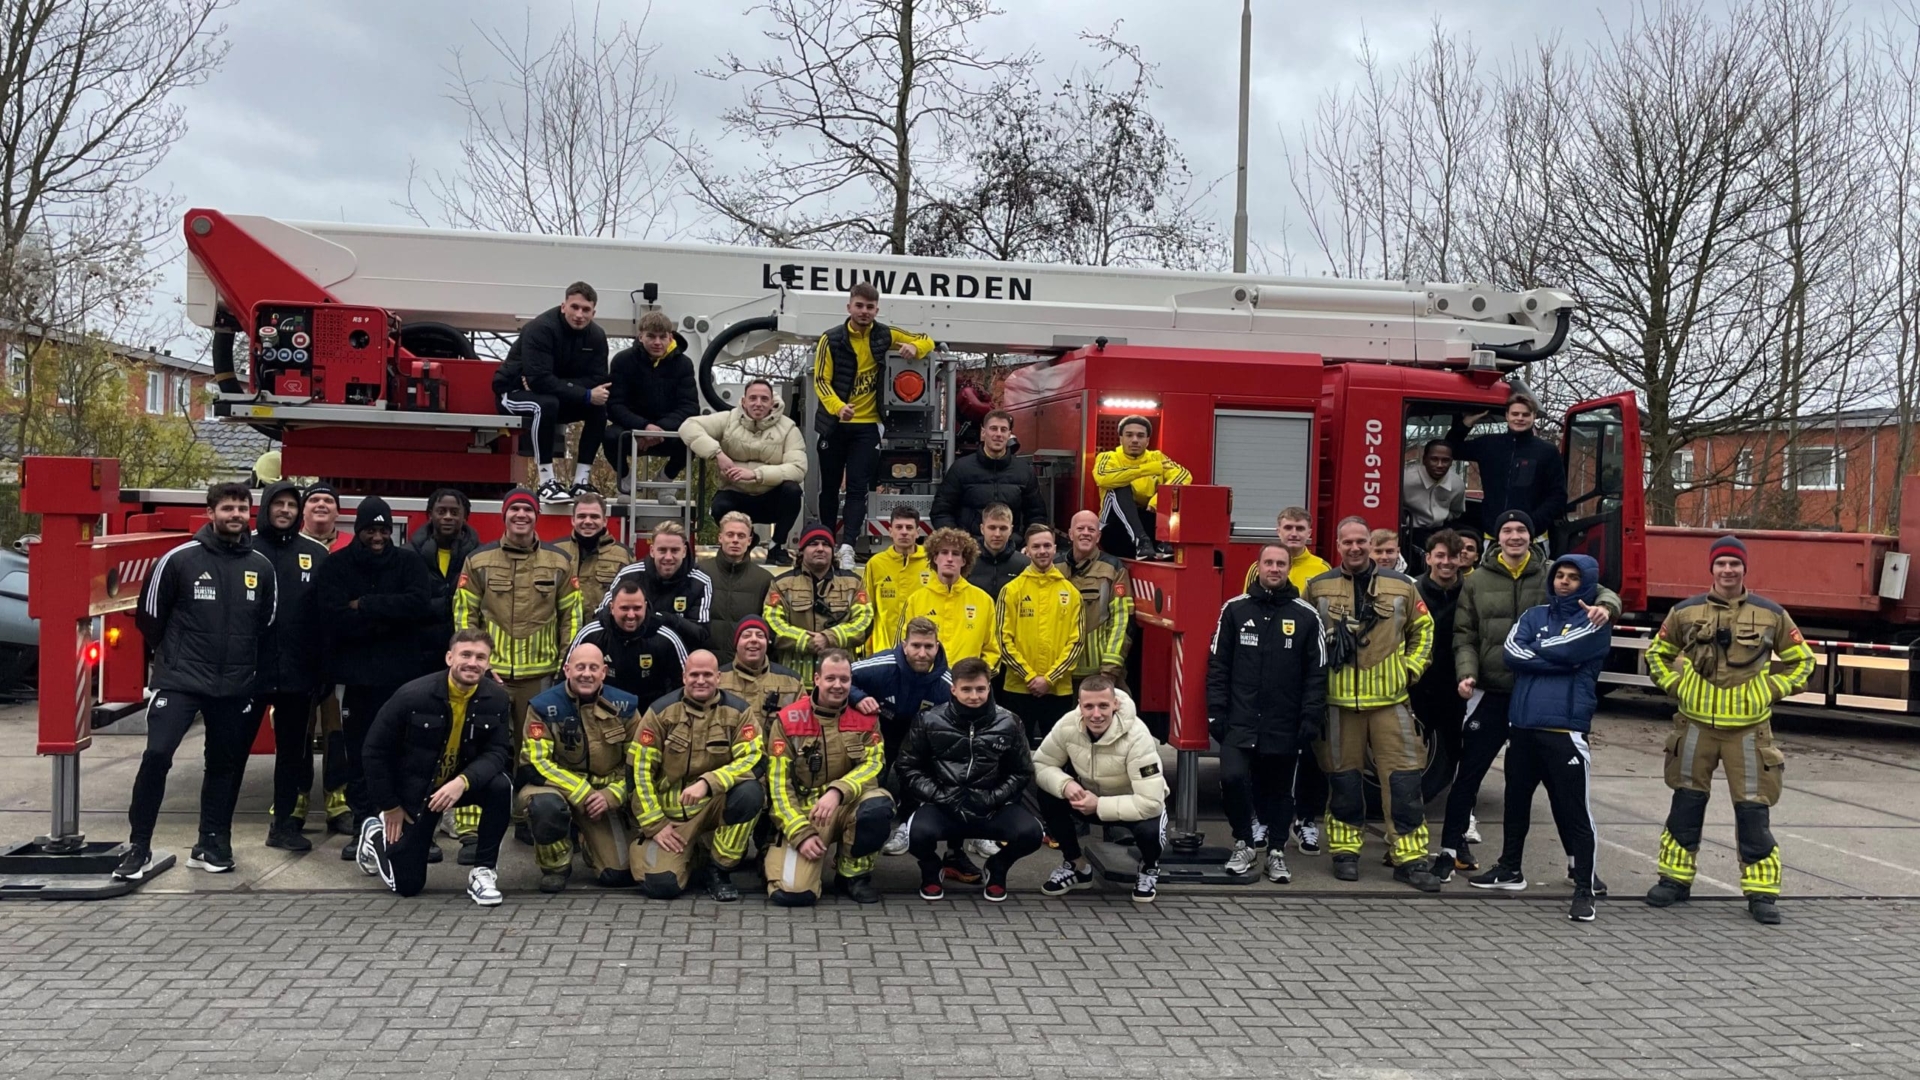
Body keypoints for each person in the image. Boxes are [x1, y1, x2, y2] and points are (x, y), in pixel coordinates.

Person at [1643, 536, 1815, 925]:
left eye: (1734, 564)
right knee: (1686, 804)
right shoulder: (1685, 612)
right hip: (1695, 728)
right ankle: (1674, 879)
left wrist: (1772, 689)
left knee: (1753, 811)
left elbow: (1802, 662)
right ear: (1711, 569)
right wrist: (1676, 686)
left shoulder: (1771, 614)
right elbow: (1656, 654)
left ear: (1744, 569)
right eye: (1720, 564)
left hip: (1750, 733)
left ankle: (1761, 893)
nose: (1727, 571)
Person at [114, 482, 278, 882]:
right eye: (228, 508)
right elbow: (149, 616)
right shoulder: (179, 559)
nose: (236, 515)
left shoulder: (261, 566)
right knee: (157, 756)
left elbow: (267, 624)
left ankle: (212, 842)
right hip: (180, 681)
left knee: (224, 766)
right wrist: (173, 658)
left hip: (235, 685)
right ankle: (139, 846)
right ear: (210, 512)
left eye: (242, 508)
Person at [1446, 510, 1618, 878]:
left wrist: (1608, 606)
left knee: (1561, 789)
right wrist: (1467, 673)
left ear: (1531, 536)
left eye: (1521, 529)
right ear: (1496, 538)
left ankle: (1579, 865)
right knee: (1471, 776)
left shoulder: (1552, 570)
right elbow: (1465, 634)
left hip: (1541, 701)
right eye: (1506, 530)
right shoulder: (1475, 581)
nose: (1514, 536)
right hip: (1494, 691)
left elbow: (1596, 588)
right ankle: (1453, 849)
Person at [1303, 516, 1441, 891]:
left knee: (1404, 781)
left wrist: (1409, 670)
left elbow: (1423, 631)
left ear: (1370, 543)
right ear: (1337, 545)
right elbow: (1306, 640)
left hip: (1391, 702)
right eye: (1347, 542)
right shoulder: (1317, 587)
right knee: (1344, 780)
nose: (1355, 547)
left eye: (1361, 541)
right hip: (1337, 704)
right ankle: (1345, 852)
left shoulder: (1403, 586)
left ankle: (1409, 858)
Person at [1470, 555, 1611, 923]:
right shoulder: (1533, 616)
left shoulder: (1594, 621)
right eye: (1560, 576)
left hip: (1564, 731)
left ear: (1587, 582)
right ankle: (1510, 869)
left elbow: (1569, 650)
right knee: (1515, 803)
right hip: (1524, 726)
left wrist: (1539, 653)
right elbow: (1512, 652)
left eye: (1573, 578)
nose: (1564, 582)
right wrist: (1554, 658)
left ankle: (1584, 888)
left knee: (1574, 812)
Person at [453, 486, 584, 855]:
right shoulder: (479, 561)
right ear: (505, 517)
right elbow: (465, 614)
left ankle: (528, 819)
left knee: (535, 749)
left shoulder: (558, 562)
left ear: (536, 517)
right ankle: (471, 830)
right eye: (514, 511)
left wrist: (566, 663)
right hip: (489, 675)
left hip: (540, 676)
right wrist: (476, 662)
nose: (521, 516)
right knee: (477, 744)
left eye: (528, 511)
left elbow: (571, 616)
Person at [355, 629, 513, 906]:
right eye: (465, 654)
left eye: (480, 657)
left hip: (456, 785)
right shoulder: (411, 696)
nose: (472, 663)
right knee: (407, 886)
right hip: (414, 794)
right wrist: (389, 806)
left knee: (501, 786)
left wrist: (463, 781)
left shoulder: (497, 699)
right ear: (449, 657)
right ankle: (375, 835)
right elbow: (374, 752)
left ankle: (484, 870)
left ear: (488, 663)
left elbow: (498, 752)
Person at [317, 496, 434, 860]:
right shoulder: (336, 566)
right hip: (358, 680)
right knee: (363, 754)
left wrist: (365, 605)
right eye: (371, 530)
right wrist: (388, 615)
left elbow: (418, 605)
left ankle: (413, 831)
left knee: (408, 754)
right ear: (359, 530)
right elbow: (333, 616)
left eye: (384, 530)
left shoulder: (409, 562)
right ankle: (363, 825)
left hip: (403, 679)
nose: (378, 537)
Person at [1207, 544, 1326, 886]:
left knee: (1278, 792)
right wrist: (1216, 713)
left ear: (1289, 569)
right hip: (1239, 721)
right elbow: (1217, 665)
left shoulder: (1306, 616)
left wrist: (1309, 719)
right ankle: (1243, 842)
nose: (1274, 569)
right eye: (1269, 563)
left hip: (1284, 724)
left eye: (1281, 564)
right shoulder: (1234, 610)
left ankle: (1276, 852)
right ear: (1257, 567)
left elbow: (1317, 673)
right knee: (1232, 779)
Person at [895, 657, 1044, 902]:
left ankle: (997, 868)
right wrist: (939, 795)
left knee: (1032, 834)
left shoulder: (1010, 721)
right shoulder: (928, 719)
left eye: (980, 689)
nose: (974, 696)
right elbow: (907, 766)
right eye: (966, 689)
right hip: (943, 804)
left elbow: (1021, 771)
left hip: (991, 806)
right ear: (953, 689)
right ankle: (932, 870)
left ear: (989, 688)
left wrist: (993, 797)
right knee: (914, 836)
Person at [627, 650, 765, 901]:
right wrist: (654, 825)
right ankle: (692, 855)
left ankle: (719, 868)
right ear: (684, 677)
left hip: (713, 807)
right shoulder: (660, 712)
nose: (701, 680)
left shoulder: (738, 712)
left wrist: (708, 783)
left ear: (719, 677)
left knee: (750, 793)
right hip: (669, 817)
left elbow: (754, 759)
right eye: (694, 674)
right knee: (661, 885)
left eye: (707, 675)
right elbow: (638, 771)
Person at [764, 651, 894, 905]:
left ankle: (852, 875)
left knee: (877, 806)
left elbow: (875, 764)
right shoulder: (789, 720)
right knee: (793, 894)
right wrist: (800, 833)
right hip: (802, 814)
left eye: (844, 679)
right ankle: (775, 856)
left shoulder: (866, 719)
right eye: (831, 678)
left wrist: (837, 792)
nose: (838, 685)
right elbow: (778, 787)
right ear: (817, 679)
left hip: (846, 806)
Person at [812, 282, 935, 549]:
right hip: (834, 424)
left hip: (867, 426)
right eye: (859, 306)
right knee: (830, 487)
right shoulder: (830, 339)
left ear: (877, 309)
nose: (864, 311)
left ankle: (847, 546)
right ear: (849, 307)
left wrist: (916, 349)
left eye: (870, 307)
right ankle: (826, 542)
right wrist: (837, 407)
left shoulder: (885, 334)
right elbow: (821, 380)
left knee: (858, 488)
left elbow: (926, 338)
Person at [1241, 505, 1334, 857]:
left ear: (1310, 533)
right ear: (1277, 530)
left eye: (1300, 528)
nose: (1293, 533)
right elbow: (1248, 612)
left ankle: (1306, 820)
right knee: (1265, 757)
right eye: (1288, 527)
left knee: (1309, 756)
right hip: (1267, 677)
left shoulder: (1322, 569)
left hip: (1302, 673)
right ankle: (1262, 820)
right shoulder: (1258, 567)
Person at [518, 641, 641, 893]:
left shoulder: (626, 707)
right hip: (555, 788)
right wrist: (580, 791)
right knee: (546, 807)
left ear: (604, 672)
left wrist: (612, 795)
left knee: (617, 874)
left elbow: (638, 763)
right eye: (580, 667)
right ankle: (556, 867)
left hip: (603, 795)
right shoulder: (543, 707)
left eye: (594, 668)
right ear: (567, 670)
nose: (586, 673)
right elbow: (537, 762)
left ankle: (588, 844)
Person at [1034, 676, 1169, 903]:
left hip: (1132, 804)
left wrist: (1098, 804)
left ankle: (1149, 868)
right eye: (1089, 706)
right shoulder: (1068, 724)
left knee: (1150, 829)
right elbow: (1041, 763)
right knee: (1049, 793)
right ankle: (1076, 865)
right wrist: (1066, 785)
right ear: (1079, 704)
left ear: (1115, 704)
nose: (1096, 714)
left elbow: (1150, 802)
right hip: (1087, 799)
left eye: (1103, 706)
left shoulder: (1138, 735)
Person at [252, 480, 333, 852]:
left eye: (290, 505)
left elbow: (325, 618)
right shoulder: (244, 549)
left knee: (292, 755)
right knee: (228, 757)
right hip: (248, 676)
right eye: (278, 504)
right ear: (266, 507)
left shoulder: (315, 554)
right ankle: (212, 835)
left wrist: (324, 670)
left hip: (299, 677)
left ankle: (283, 826)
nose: (285, 511)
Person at [847, 618, 962, 872]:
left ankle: (905, 827)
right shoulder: (882, 665)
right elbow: (841, 675)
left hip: (918, 738)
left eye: (929, 647)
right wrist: (859, 697)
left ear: (937, 646)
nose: (922, 653)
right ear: (904, 645)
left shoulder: (947, 683)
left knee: (916, 782)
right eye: (916, 646)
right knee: (870, 784)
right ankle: (856, 835)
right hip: (879, 732)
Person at [494, 281, 611, 503]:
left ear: (593, 312)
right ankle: (546, 482)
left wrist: (567, 388)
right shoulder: (540, 328)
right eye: (574, 307)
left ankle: (581, 483)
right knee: (545, 403)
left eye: (585, 310)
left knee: (599, 408)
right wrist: (584, 393)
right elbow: (539, 381)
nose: (579, 314)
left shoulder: (596, 336)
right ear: (563, 306)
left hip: (556, 397)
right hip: (513, 393)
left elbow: (598, 380)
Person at [681, 378, 807, 564]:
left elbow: (798, 468)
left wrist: (757, 475)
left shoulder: (788, 428)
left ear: (772, 403)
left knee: (793, 491)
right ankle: (748, 538)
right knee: (718, 506)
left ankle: (776, 546)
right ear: (743, 401)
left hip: (770, 499)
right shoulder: (728, 419)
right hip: (735, 496)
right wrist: (717, 454)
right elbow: (688, 426)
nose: (758, 403)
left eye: (764, 399)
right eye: (753, 398)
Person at [1409, 530, 1468, 867]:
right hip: (1417, 689)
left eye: (1453, 557)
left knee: (1455, 764)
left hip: (1458, 689)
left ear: (1462, 559)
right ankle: (1404, 838)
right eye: (1440, 556)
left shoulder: (1471, 592)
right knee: (1407, 767)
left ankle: (1456, 838)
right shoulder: (1411, 591)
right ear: (1428, 557)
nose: (1446, 563)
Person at [995, 524, 1083, 746]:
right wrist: (1029, 676)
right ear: (1028, 550)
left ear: (1055, 549)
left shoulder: (1071, 593)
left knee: (1059, 752)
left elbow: (1077, 642)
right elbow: (1003, 641)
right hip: (1017, 688)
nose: (1042, 551)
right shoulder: (1012, 590)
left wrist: (1050, 679)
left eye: (1046, 545)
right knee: (1015, 751)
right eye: (1036, 546)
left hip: (1058, 689)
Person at [1448, 391, 1566, 544]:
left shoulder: (1548, 451)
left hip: (1533, 538)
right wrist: (1466, 423)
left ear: (1534, 416)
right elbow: (1451, 449)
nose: (1520, 418)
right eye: (1515, 414)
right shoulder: (1489, 444)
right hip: (1493, 535)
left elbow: (1558, 495)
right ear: (1507, 415)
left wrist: (1532, 523)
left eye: (1525, 414)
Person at [764, 523, 874, 682]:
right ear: (801, 550)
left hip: (839, 681)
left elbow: (865, 622)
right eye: (813, 544)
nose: (820, 548)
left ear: (833, 551)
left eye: (826, 544)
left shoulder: (853, 583)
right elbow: (772, 624)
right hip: (794, 681)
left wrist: (830, 638)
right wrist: (806, 641)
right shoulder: (782, 584)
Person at [605, 310, 697, 494]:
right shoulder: (622, 361)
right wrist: (644, 427)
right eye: (651, 336)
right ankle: (625, 478)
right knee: (609, 437)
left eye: (662, 337)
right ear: (640, 336)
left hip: (667, 432)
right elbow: (614, 405)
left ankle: (664, 481)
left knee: (695, 440)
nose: (657, 342)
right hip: (631, 431)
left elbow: (690, 406)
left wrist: (660, 429)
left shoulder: (684, 364)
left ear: (670, 337)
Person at [572, 578, 692, 708]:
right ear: (612, 607)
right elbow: (565, 679)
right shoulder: (591, 634)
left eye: (637, 608)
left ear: (645, 606)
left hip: (651, 718)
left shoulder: (666, 638)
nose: (631, 615)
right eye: (624, 608)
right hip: (602, 717)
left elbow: (686, 686)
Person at [930, 408, 1048, 537]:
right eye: (993, 428)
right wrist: (959, 544)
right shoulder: (961, 469)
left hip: (1012, 549)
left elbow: (1036, 514)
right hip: (971, 550)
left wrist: (1026, 543)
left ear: (1009, 434)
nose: (998, 434)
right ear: (983, 433)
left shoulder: (1024, 471)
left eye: (1003, 430)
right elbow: (941, 512)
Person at [1093, 415, 1190, 560]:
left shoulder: (1157, 457)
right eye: (1129, 435)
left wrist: (1158, 500)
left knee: (1176, 489)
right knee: (1119, 485)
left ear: (1147, 441)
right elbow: (1102, 478)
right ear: (1121, 438)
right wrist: (1146, 469)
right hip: (1115, 529)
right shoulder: (1108, 457)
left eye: (1140, 436)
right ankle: (1140, 539)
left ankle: (1162, 541)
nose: (1134, 440)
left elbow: (1184, 475)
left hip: (1149, 524)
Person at [901, 527, 999, 667]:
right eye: (944, 552)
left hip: (966, 684)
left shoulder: (984, 601)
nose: (949, 559)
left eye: (956, 554)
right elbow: (902, 644)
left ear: (964, 561)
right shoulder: (915, 600)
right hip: (925, 683)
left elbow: (992, 650)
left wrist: (976, 675)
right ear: (935, 558)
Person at [605, 522, 711, 641]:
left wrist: (668, 619)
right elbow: (602, 613)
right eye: (662, 550)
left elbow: (701, 633)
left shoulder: (700, 581)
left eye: (675, 550)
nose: (668, 557)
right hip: (632, 649)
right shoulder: (629, 574)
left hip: (679, 655)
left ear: (684, 551)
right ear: (652, 551)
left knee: (703, 658)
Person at [1064, 510, 1133, 690]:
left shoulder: (1113, 568)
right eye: (1080, 528)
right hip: (1059, 675)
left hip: (1099, 672)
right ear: (1071, 534)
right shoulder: (1054, 566)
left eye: (1091, 529)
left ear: (1098, 536)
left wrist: (1109, 670)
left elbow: (1121, 621)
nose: (1086, 533)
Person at [408, 488, 480, 659]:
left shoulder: (479, 557)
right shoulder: (409, 555)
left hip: (464, 653)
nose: (448, 517)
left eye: (455, 512)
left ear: (465, 517)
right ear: (430, 515)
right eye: (441, 511)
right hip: (417, 652)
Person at [698, 512, 775, 666]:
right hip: (706, 667)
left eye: (741, 536)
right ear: (720, 538)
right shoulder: (700, 572)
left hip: (745, 667)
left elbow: (770, 628)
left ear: (749, 540)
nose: (735, 540)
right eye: (730, 535)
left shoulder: (764, 579)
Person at [861, 505, 932, 656]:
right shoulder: (876, 564)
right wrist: (865, 650)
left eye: (909, 527)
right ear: (890, 531)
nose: (904, 532)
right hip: (885, 650)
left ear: (917, 532)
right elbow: (866, 610)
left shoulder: (931, 563)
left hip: (922, 652)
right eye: (899, 527)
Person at [718, 616, 806, 734]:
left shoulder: (792, 681)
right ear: (736, 643)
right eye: (746, 635)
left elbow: (803, 727)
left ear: (767, 642)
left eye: (760, 635)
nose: (754, 640)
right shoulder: (717, 680)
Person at [553, 493, 632, 604]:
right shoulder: (555, 552)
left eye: (594, 516)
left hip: (602, 621)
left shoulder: (622, 555)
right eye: (582, 516)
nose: (588, 521)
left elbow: (630, 599)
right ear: (573, 520)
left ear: (605, 521)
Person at [1402, 439, 1466, 569]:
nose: (1440, 464)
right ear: (1424, 459)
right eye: (1434, 459)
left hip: (1441, 530)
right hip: (1410, 532)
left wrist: (1445, 518)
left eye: (1445, 460)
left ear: (1451, 461)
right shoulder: (1405, 479)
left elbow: (1456, 511)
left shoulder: (1457, 484)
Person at [966, 503, 1030, 600]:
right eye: (992, 528)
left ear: (1011, 530)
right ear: (982, 529)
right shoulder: (966, 561)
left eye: (1003, 528)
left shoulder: (1024, 565)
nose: (997, 534)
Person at [300, 484, 350, 552]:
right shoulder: (289, 544)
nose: (321, 504)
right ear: (303, 509)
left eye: (328, 501)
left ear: (337, 511)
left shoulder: (353, 544)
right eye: (314, 500)